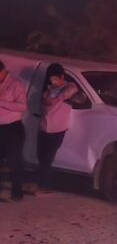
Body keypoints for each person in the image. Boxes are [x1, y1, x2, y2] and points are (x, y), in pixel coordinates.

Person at [36, 63, 79, 192]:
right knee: (41, 156)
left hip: (57, 128)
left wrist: (57, 93)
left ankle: (44, 184)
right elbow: (45, 104)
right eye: (51, 77)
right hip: (44, 127)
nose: (52, 79)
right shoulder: (47, 89)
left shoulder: (69, 86)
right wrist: (52, 93)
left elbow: (70, 91)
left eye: (55, 76)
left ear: (62, 76)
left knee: (48, 158)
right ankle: (42, 183)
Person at [0, 59, 28, 201]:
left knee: (14, 162)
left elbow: (23, 106)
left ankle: (17, 193)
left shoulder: (16, 85)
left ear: (2, 71)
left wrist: (2, 102)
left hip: (12, 128)